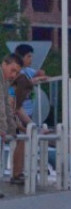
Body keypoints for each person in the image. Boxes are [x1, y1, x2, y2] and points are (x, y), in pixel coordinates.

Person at [11, 44, 44, 183]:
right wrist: (33, 81)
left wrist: (39, 74)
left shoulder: (29, 71)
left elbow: (39, 73)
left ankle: (20, 172)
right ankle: (16, 173)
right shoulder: (16, 73)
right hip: (18, 110)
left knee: (24, 142)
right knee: (21, 141)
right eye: (28, 56)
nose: (30, 59)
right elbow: (18, 86)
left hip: (27, 111)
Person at [0, 54, 23, 184]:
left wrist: (12, 129)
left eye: (17, 72)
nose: (14, 75)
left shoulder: (5, 81)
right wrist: (3, 128)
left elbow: (6, 106)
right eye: (12, 70)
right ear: (4, 64)